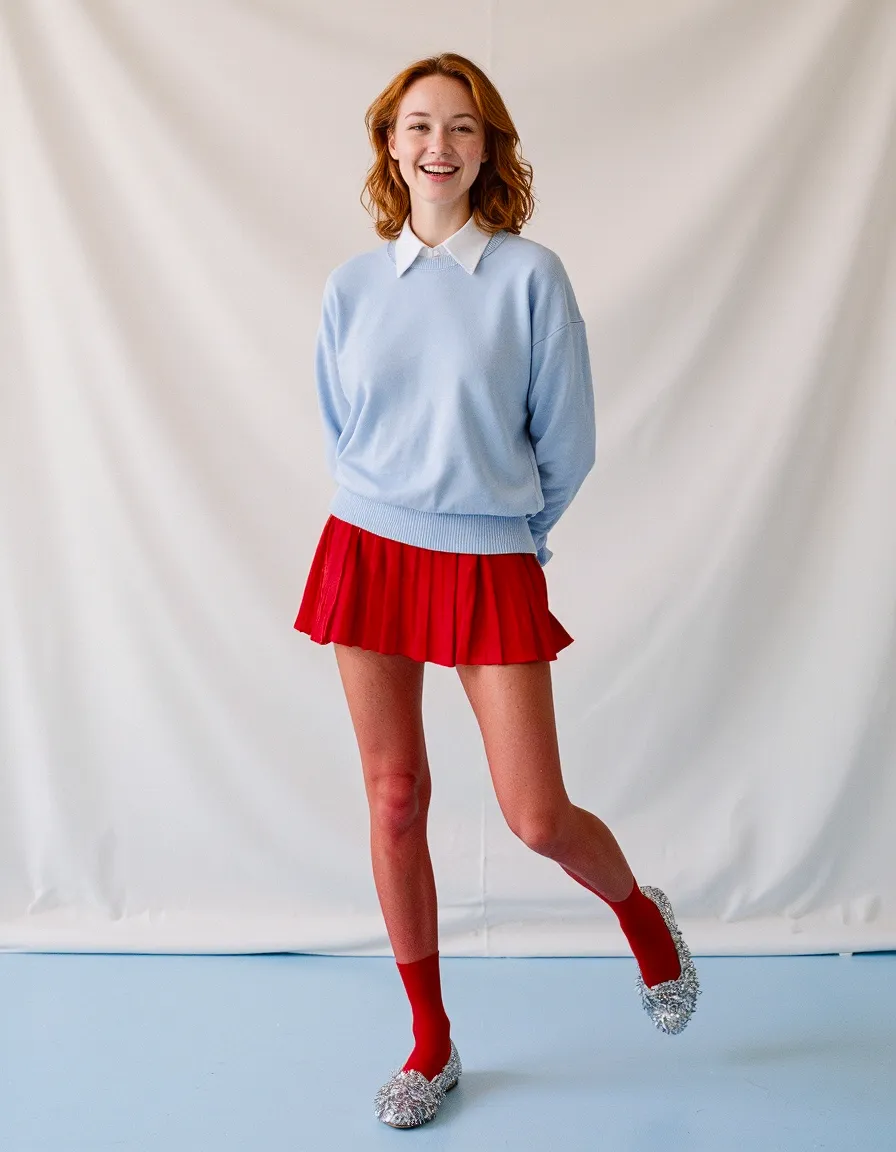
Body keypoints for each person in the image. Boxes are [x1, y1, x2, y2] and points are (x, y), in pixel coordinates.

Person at [295, 52, 699, 1129]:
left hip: (489, 559)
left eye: (461, 128)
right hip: (370, 548)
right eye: (418, 126)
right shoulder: (350, 286)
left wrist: (504, 537)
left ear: (487, 149)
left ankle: (641, 917)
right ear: (390, 145)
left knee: (532, 814)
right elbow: (343, 432)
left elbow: (567, 445)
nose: (438, 145)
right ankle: (430, 1041)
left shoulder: (528, 277)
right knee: (394, 798)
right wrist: (402, 512)